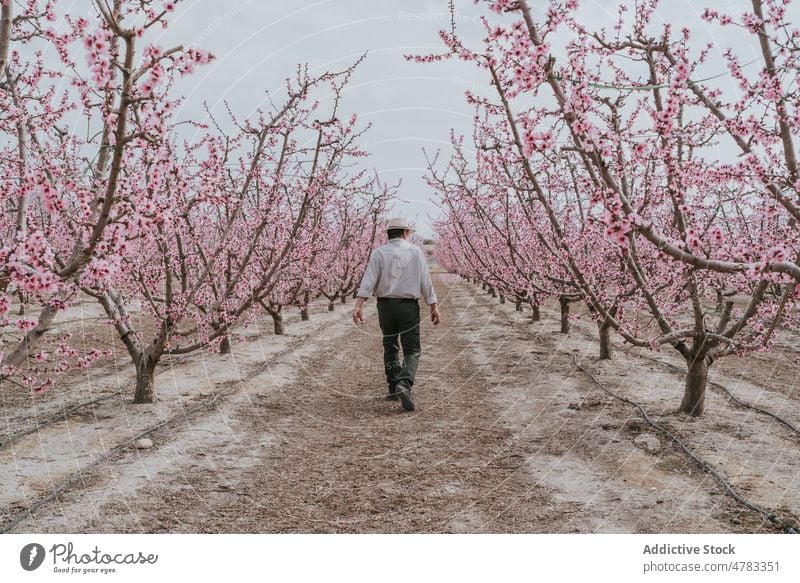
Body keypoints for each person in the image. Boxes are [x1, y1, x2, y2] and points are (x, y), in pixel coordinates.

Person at [352, 218, 441, 411]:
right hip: (408, 306)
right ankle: (404, 383)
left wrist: (359, 305)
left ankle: (393, 387)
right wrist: (433, 305)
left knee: (390, 345)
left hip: (385, 306)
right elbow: (425, 281)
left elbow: (369, 280)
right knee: (412, 349)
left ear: (388, 234)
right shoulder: (415, 252)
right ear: (406, 233)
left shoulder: (379, 253)